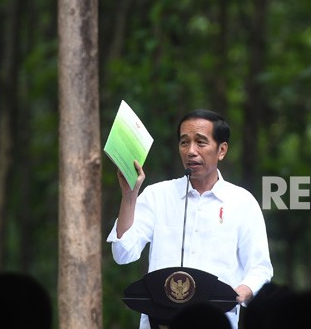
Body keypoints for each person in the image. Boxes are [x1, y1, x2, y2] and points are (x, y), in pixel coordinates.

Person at [107, 109, 274, 329]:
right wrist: (129, 195)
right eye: (184, 143)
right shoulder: (158, 195)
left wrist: (240, 293)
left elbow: (260, 268)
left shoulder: (242, 202)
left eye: (201, 143)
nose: (191, 151)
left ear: (221, 150)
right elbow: (123, 253)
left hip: (217, 322)